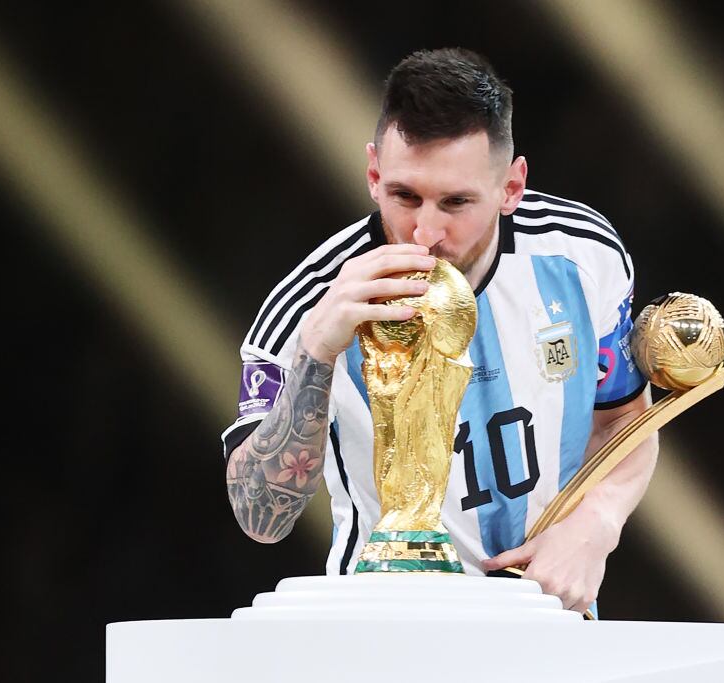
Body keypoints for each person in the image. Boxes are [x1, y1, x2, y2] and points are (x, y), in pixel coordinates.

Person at [222, 48, 659, 615]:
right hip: (385, 632)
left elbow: (626, 420)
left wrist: (596, 524)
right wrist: (318, 350)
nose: (426, 231)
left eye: (456, 202)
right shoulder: (309, 304)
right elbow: (261, 517)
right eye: (405, 196)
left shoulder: (582, 255)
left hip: (552, 626)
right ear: (374, 174)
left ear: (511, 187)